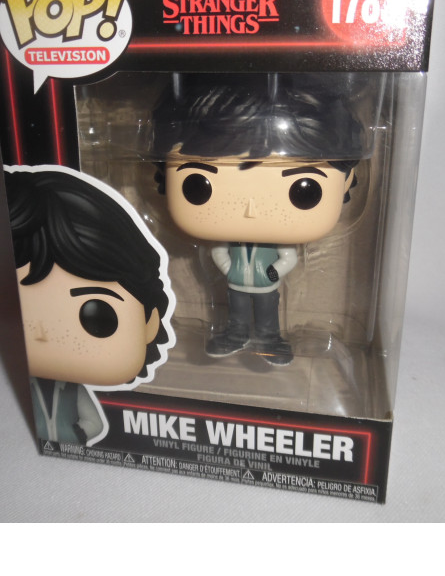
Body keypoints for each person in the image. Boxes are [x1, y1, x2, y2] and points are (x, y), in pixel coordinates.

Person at [151, 73, 364, 365]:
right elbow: (218, 252)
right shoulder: (231, 241)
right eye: (197, 185)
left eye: (304, 190)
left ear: (346, 179)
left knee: (267, 312)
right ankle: (236, 334)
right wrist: (229, 269)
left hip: (266, 285)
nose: (250, 210)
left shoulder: (277, 242)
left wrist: (273, 273)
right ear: (164, 172)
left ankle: (269, 338)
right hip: (237, 283)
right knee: (237, 313)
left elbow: (288, 258)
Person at [5, 165, 174, 444]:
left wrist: (77, 435)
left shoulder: (73, 390)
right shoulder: (17, 382)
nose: (42, 334)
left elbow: (94, 423)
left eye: (96, 317)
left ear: (150, 322)